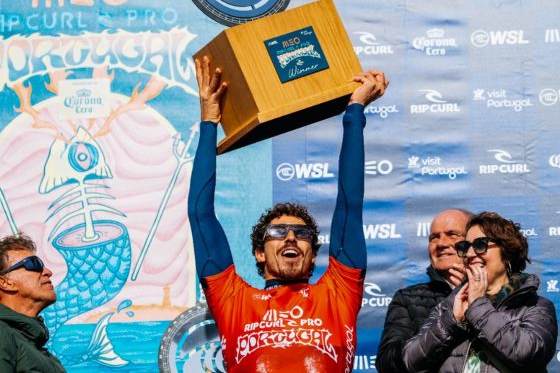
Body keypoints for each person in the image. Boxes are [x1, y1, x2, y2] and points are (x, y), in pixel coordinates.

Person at [188, 56, 388, 372]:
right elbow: (200, 213)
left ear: (313, 256)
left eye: (302, 234)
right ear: (259, 253)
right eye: (278, 232)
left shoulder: (338, 292)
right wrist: (209, 122)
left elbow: (350, 203)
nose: (291, 237)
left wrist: (355, 111)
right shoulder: (233, 299)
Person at [402, 211, 558, 372]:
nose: (469, 254)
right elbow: (410, 361)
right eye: (465, 247)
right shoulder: (450, 304)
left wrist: (477, 305)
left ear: (507, 253)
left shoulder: (536, 306)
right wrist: (453, 321)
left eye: (480, 245)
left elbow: (528, 355)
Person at [376, 208, 473, 373]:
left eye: (452, 235)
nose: (441, 243)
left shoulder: (499, 293)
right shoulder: (407, 299)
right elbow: (387, 364)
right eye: (434, 237)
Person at [0, 233, 65, 372]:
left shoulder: (44, 354)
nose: (48, 272)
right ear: (5, 283)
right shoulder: (2, 334)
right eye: (34, 264)